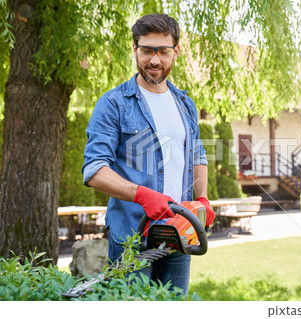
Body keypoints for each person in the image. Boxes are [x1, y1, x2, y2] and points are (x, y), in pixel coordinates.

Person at [82, 13, 215, 294]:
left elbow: (197, 155)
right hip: (132, 235)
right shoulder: (113, 104)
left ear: (176, 51)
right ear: (134, 49)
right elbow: (94, 170)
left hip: (180, 231)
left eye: (163, 51)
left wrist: (202, 200)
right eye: (147, 50)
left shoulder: (185, 104)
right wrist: (142, 195)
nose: (154, 60)